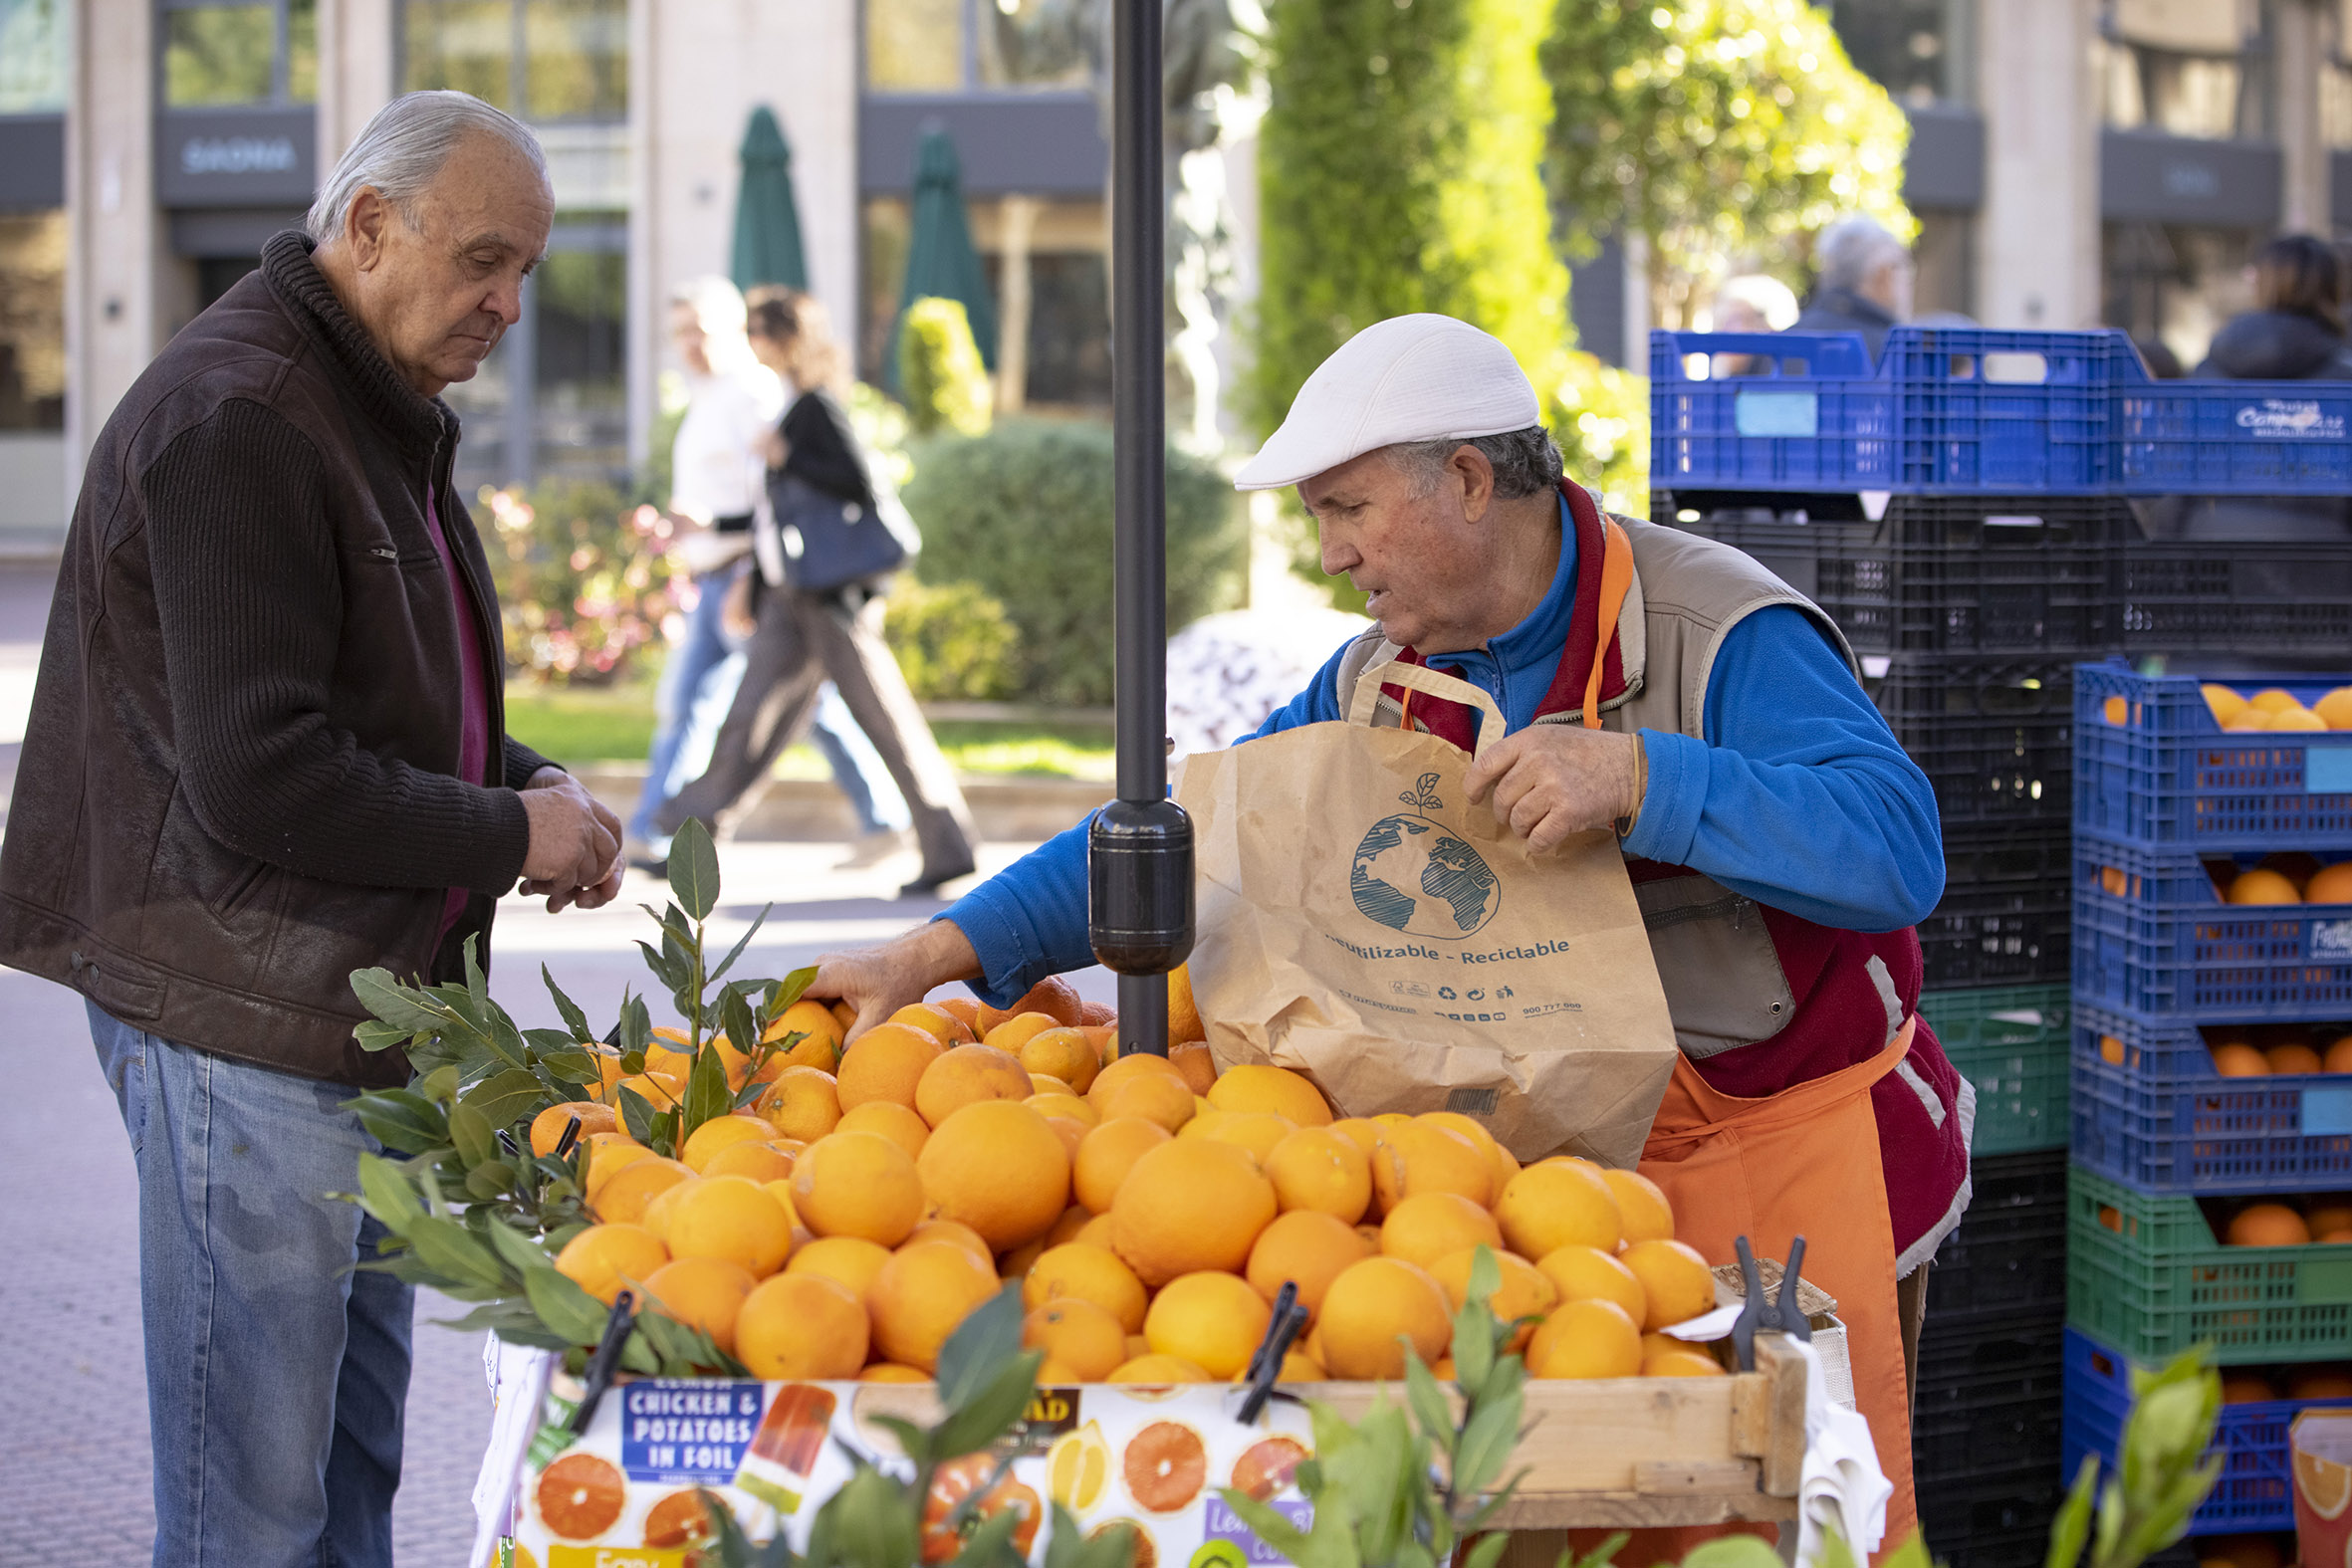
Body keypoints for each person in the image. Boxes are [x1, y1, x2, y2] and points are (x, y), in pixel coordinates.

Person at [813, 315, 1968, 1550]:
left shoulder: (1717, 625)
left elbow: (1898, 848)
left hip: (1770, 1162)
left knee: (1792, 1532)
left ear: (1467, 480)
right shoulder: (1379, 674)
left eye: (1346, 509)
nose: (1331, 553)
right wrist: (933, 953)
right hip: (1534, 1191)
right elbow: (1194, 828)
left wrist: (1646, 781)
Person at [0, 91, 622, 1564]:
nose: (508, 302)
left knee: (346, 1479)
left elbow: (367, 703)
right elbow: (264, 772)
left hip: (343, 1013)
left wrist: (535, 786)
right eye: (485, 259)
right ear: (368, 226)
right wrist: (504, 833)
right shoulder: (246, 414)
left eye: (526, 268)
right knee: (253, 1512)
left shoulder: (355, 396)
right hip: (250, 1019)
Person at [655, 287, 978, 895]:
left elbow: (858, 482)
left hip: (828, 597)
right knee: (748, 717)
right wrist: (718, 529)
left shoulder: (812, 409)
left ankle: (948, 845)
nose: (750, 341)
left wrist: (788, 457)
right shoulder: (786, 407)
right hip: (788, 593)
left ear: (785, 339)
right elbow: (775, 518)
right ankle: (684, 837)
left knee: (883, 718)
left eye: (759, 331)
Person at [627, 279, 907, 875]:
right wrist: (706, 527)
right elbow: (767, 501)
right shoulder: (727, 397)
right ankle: (677, 835)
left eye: (703, 331)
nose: (688, 344)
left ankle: (911, 826)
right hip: (769, 583)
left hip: (797, 584)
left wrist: (747, 572)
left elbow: (828, 486)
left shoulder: (782, 399)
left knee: (818, 711)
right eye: (679, 332)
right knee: (747, 713)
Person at [2166, 235, 2352, 540]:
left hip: (2212, 546)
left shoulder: (2210, 370)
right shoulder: (2343, 375)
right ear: (2333, 288)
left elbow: (2177, 473)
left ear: (2261, 285)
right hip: (2325, 556)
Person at [1792, 215, 1913, 358]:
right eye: (1906, 268)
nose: (1909, 282)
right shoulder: (1899, 354)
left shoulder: (1777, 346)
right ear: (1884, 275)